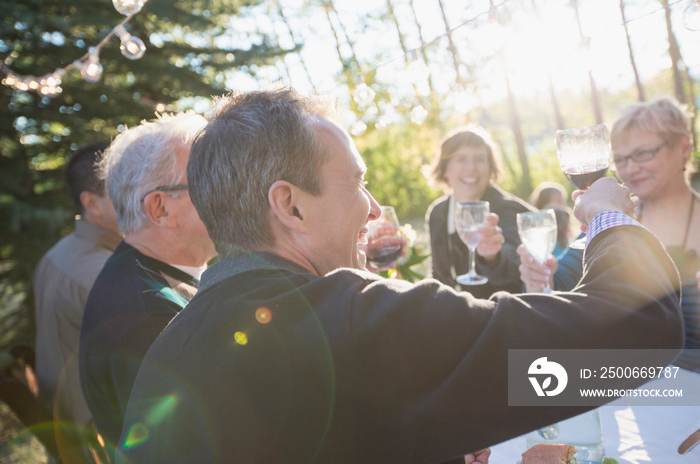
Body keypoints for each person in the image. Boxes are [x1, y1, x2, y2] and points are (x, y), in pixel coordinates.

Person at [116, 88, 682, 464]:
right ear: (289, 206)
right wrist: (608, 219)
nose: (371, 209)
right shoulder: (358, 319)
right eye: (357, 184)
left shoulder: (170, 349)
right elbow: (631, 342)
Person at [519, 97, 700, 371]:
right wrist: (538, 280)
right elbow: (560, 283)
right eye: (621, 159)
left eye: (642, 154)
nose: (629, 169)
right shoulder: (615, 223)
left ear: (684, 148)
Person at [79, 113, 217, 456]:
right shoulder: (150, 319)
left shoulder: (147, 274)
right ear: (159, 208)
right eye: (208, 180)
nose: (228, 190)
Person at [33, 142, 122, 461]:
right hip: (100, 447)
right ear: (92, 204)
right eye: (125, 186)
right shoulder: (106, 276)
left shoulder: (56, 255)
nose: (143, 197)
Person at [425, 127, 535, 298]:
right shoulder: (438, 212)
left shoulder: (509, 209)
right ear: (445, 169)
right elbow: (439, 274)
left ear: (491, 168)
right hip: (452, 315)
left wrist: (493, 256)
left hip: (500, 315)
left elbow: (514, 265)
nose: (471, 168)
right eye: (461, 159)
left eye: (479, 159)